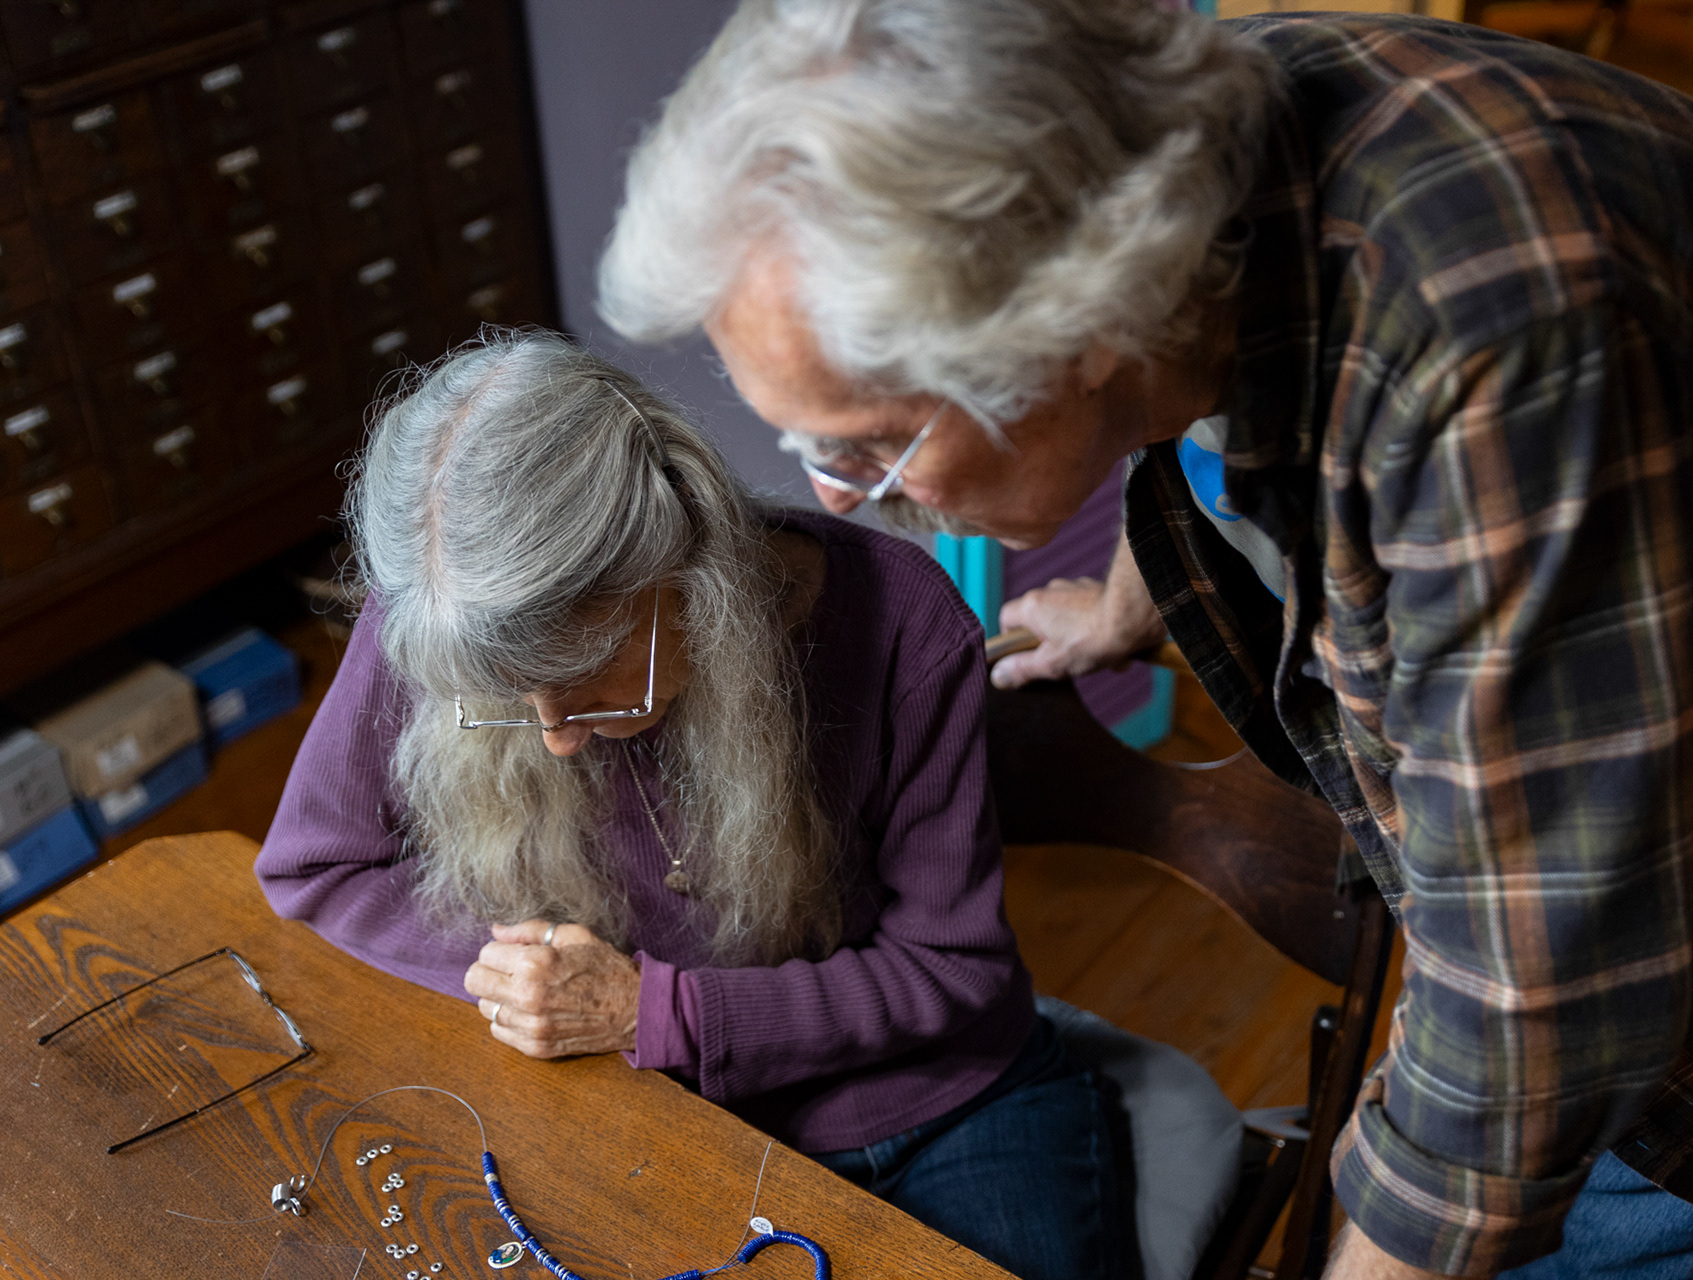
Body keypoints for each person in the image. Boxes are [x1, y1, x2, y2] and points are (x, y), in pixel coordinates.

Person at [595, 3, 1693, 1278]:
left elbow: (1532, 1009)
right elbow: (1179, 397)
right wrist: (1128, 600)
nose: (835, 496)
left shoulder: (1495, 359)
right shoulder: (1154, 164)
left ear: (1078, 334)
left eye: (874, 442)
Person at [253, 332, 1130, 1280]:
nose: (554, 734)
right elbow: (316, 862)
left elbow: (948, 967)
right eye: (514, 696)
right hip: (659, 1112)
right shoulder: (457, 617)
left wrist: (655, 1014)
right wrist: (536, 988)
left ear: (684, 582)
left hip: (931, 1110)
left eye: (584, 676)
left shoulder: (904, 620)